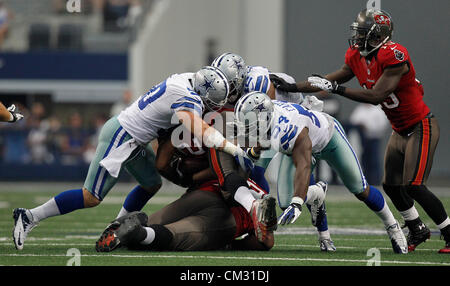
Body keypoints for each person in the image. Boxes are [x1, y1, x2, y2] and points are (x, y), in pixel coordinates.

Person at [271, 8, 449, 254]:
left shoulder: (394, 55)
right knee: (391, 185)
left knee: (414, 185)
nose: (357, 38)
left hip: (421, 125)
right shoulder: (357, 56)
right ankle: (416, 227)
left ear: (378, 36)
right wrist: (294, 85)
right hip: (400, 130)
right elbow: (330, 79)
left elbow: (376, 95)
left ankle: (449, 233)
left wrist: (336, 89)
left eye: (363, 33)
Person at [12, 66, 249, 250]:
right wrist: (232, 148)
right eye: (211, 102)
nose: (210, 106)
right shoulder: (189, 97)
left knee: (151, 183)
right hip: (121, 135)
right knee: (91, 196)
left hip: (135, 139)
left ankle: (115, 227)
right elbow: (200, 130)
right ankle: (30, 215)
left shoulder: (187, 79)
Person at [234, 91, 408, 254]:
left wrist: (298, 202)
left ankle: (392, 226)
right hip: (297, 146)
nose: (249, 128)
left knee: (360, 189)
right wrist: (254, 150)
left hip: (328, 139)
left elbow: (304, 165)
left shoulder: (289, 129)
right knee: (285, 203)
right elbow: (263, 136)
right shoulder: (266, 114)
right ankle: (321, 218)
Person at [211, 52, 335, 251]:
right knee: (254, 171)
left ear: (240, 78)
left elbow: (264, 123)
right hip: (267, 126)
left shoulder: (257, 82)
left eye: (229, 82)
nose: (226, 88)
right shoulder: (233, 89)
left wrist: (243, 146)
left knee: (280, 176)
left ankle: (322, 233)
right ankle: (261, 222)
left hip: (289, 123)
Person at [95, 135, 279, 252]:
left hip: (203, 193)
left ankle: (129, 229)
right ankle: (142, 234)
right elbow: (267, 241)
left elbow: (215, 173)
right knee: (175, 235)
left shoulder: (225, 150)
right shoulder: (261, 189)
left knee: (156, 221)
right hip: (226, 219)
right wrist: (232, 244)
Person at [349, 103, 389, 185]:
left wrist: (370, 128)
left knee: (374, 160)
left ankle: (376, 181)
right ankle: (366, 180)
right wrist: (361, 125)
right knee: (365, 160)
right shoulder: (360, 108)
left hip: (374, 138)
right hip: (363, 138)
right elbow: (353, 120)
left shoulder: (378, 110)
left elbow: (383, 124)